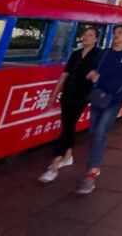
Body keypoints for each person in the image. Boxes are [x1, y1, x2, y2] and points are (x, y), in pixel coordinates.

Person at [76, 24, 122, 195]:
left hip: (115, 99)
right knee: (93, 133)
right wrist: (92, 74)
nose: (116, 35)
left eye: (120, 33)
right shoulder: (105, 52)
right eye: (115, 33)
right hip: (98, 96)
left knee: (100, 133)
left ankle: (91, 173)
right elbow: (93, 68)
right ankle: (94, 161)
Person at [38, 27, 100, 183]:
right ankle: (68, 156)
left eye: (90, 35)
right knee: (68, 124)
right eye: (85, 34)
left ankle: (55, 164)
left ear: (96, 39)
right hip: (68, 93)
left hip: (82, 95)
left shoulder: (99, 55)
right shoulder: (75, 54)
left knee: (68, 124)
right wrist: (54, 94)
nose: (86, 37)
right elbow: (65, 74)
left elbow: (102, 73)